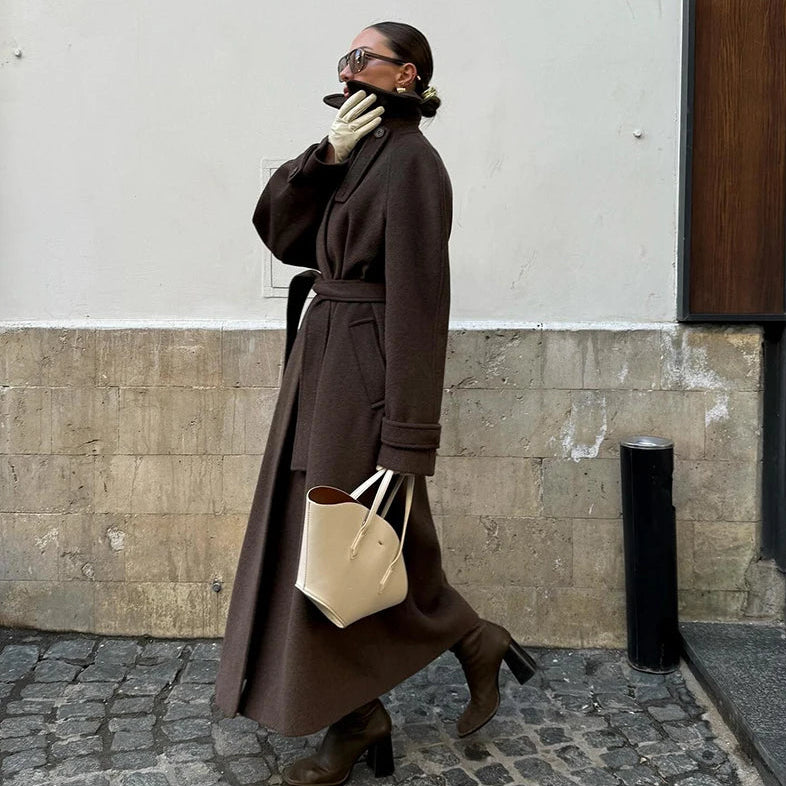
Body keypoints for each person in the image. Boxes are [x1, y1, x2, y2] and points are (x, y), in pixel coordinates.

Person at [213, 21, 538, 785]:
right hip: (320, 367)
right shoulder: (354, 154)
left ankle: (357, 719)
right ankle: (463, 647)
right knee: (359, 538)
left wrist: (406, 438)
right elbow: (280, 233)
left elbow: (422, 307)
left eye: (367, 57)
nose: (350, 66)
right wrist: (323, 159)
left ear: (407, 76)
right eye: (345, 56)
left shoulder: (416, 167)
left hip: (362, 380)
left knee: (335, 544)